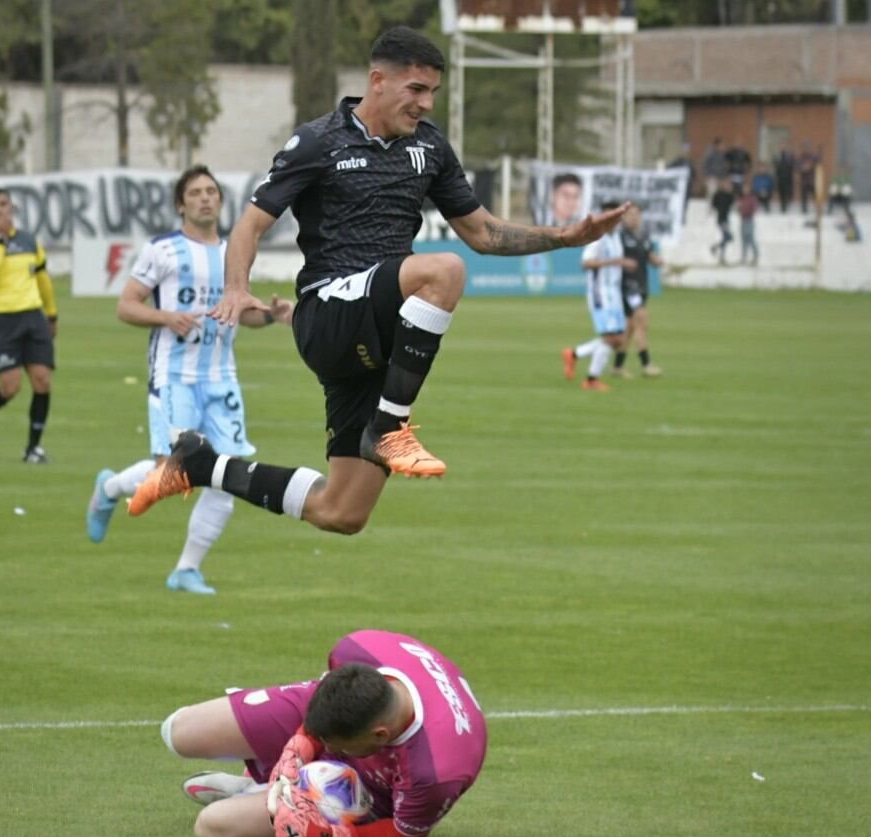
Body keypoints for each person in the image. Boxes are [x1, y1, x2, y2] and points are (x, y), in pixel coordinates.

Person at [125, 26, 627, 536]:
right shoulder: (319, 140)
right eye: (417, 89)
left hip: (376, 339)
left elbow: (482, 231)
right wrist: (236, 287)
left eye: (433, 92)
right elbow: (251, 223)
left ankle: (198, 465)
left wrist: (565, 236)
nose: (427, 103)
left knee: (342, 512)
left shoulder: (430, 148)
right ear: (378, 80)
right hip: (328, 312)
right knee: (445, 270)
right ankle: (389, 428)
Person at [85, 166, 292, 595]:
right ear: (181, 203)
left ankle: (186, 570)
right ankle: (109, 487)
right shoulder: (162, 250)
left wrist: (270, 315)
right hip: (174, 375)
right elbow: (127, 306)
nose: (205, 198)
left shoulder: (234, 252)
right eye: (195, 192)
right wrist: (166, 317)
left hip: (222, 378)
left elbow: (242, 313)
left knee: (229, 474)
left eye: (211, 191)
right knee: (174, 473)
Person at [163, 629, 486, 837]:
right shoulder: (359, 649)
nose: (332, 750)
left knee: (211, 824)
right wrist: (300, 745)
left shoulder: (436, 771)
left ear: (380, 737)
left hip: (374, 789)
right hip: (329, 712)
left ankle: (260, 787)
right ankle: (274, 780)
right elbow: (330, 704)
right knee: (178, 731)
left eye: (340, 748)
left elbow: (405, 836)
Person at [0, 188, 58, 464]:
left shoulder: (30, 241)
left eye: (3, 205)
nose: (0, 210)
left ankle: (33, 449)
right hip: (2, 319)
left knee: (42, 380)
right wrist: (1, 241)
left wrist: (51, 314)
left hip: (32, 316)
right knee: (10, 388)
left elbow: (42, 279)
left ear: (12, 208)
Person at [560, 201, 629, 392]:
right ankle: (591, 379)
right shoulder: (598, 237)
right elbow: (586, 263)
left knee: (619, 338)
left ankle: (574, 355)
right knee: (612, 338)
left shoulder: (616, 237)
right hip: (601, 295)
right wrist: (613, 261)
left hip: (613, 294)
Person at [613, 206, 663, 379]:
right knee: (642, 320)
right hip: (628, 286)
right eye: (630, 215)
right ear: (623, 218)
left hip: (642, 285)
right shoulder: (619, 237)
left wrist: (658, 261)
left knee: (630, 327)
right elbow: (612, 259)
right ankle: (646, 364)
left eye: (636, 214)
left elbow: (650, 256)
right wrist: (622, 262)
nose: (634, 218)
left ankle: (617, 367)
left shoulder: (643, 236)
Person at [710, 179, 735, 264]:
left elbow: (732, 204)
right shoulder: (719, 195)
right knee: (728, 237)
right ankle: (715, 248)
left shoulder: (730, 196)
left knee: (726, 238)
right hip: (721, 219)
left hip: (726, 219)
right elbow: (714, 204)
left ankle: (720, 254)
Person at [737, 186, 759, 265]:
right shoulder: (741, 198)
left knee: (750, 239)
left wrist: (749, 212)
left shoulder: (752, 198)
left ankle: (755, 256)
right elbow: (739, 208)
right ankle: (744, 258)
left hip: (749, 220)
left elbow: (755, 208)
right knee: (744, 240)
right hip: (743, 220)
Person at [775, 147, 796, 213]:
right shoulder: (778, 158)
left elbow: (792, 167)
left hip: (788, 178)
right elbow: (776, 168)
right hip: (780, 178)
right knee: (782, 193)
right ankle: (783, 207)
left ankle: (787, 204)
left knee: (788, 192)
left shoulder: (789, 158)